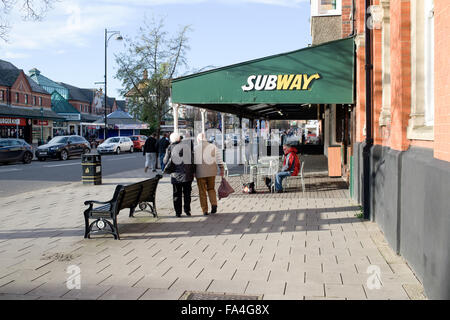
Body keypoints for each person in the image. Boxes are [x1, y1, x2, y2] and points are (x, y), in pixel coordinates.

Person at [164, 132, 194, 217]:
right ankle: (187, 211)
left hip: (175, 176)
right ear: (179, 139)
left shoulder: (170, 147)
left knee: (177, 194)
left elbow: (165, 161)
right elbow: (192, 160)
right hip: (187, 175)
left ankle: (178, 212)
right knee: (187, 194)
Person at [194, 133, 224, 216]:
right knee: (211, 188)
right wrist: (221, 168)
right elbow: (219, 159)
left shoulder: (195, 148)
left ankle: (204, 210)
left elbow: (194, 162)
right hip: (212, 172)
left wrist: (193, 172)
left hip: (200, 173)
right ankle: (214, 204)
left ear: (199, 140)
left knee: (202, 191)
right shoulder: (213, 147)